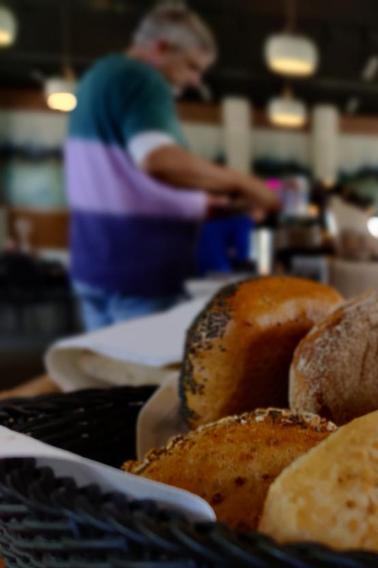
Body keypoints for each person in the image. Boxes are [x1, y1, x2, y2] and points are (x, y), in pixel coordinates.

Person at [66, 1, 279, 330]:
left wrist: (207, 205)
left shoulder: (98, 76)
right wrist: (245, 183)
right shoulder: (142, 77)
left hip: (93, 267)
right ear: (161, 48)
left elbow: (127, 184)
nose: (195, 80)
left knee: (106, 363)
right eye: (191, 66)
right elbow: (159, 160)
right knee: (147, 365)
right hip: (139, 274)